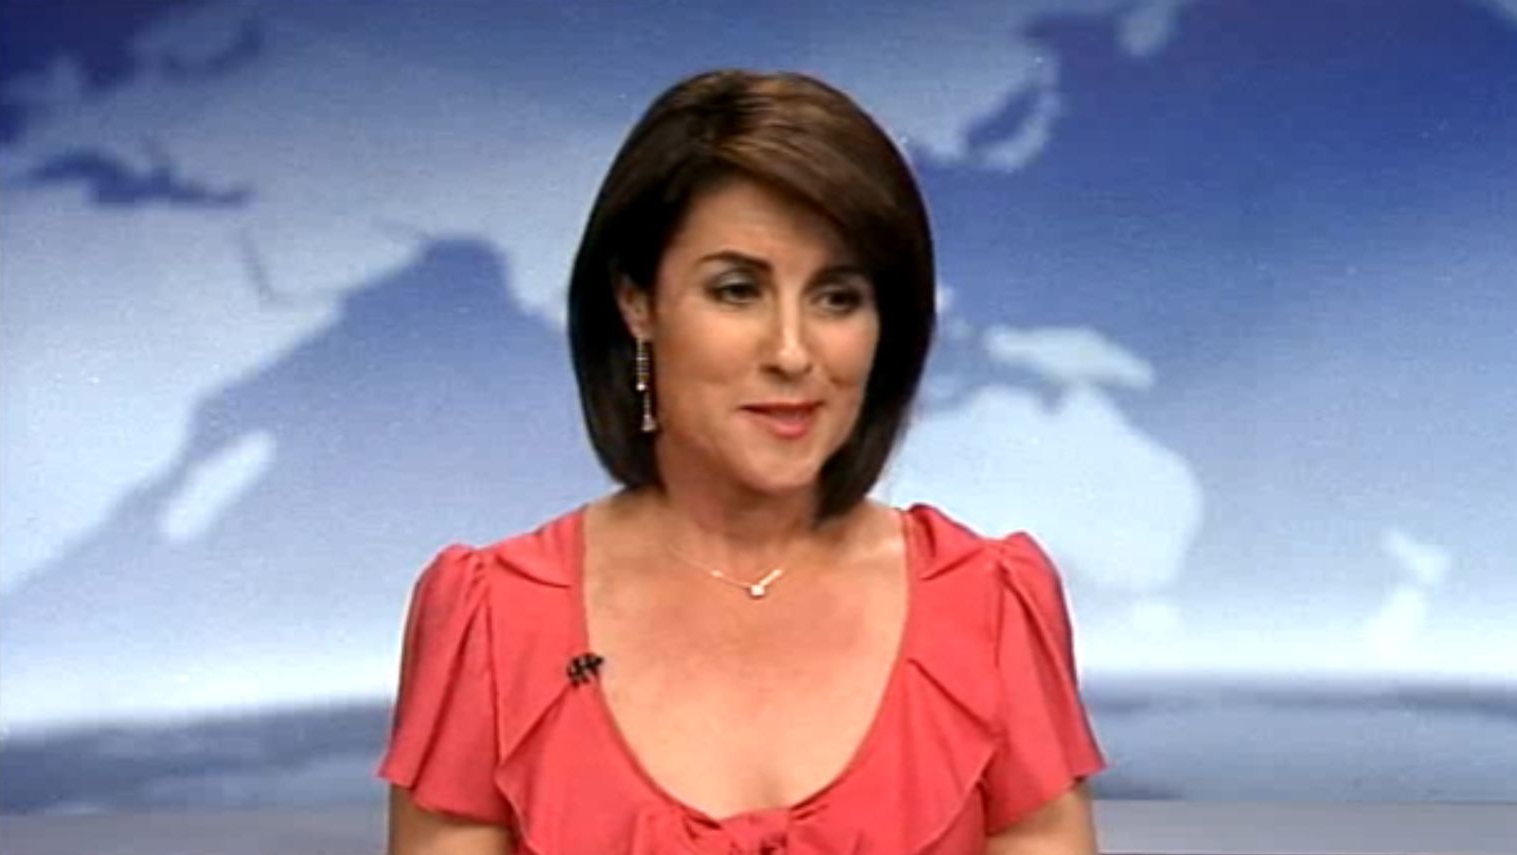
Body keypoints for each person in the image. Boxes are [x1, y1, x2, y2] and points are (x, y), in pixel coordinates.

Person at [379, 69, 1105, 854]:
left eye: (836, 297)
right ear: (636, 301)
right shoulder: (491, 618)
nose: (792, 352)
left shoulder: (991, 605)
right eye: (736, 290)